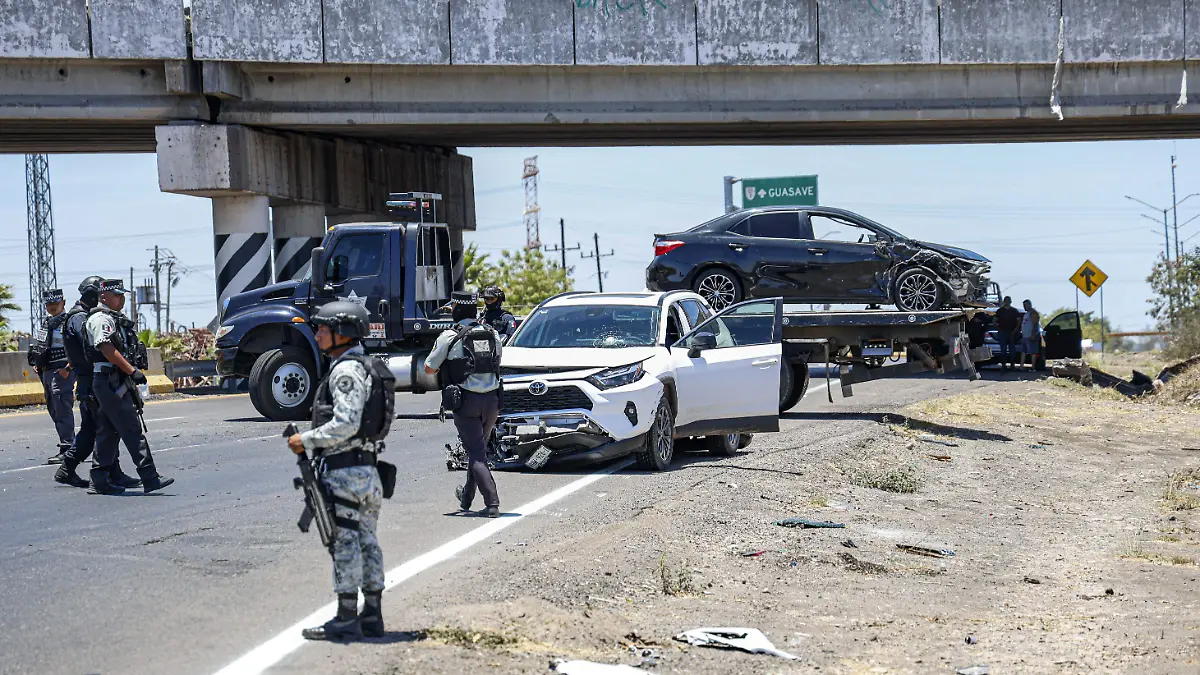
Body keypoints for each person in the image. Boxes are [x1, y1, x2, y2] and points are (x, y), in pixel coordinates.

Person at [286, 301, 386, 641]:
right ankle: (372, 615)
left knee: (345, 543)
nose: (317, 336)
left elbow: (346, 423)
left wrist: (305, 440)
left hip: (346, 474)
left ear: (342, 333)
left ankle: (346, 618)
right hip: (366, 470)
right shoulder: (367, 366)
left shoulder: (345, 372)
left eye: (323, 330)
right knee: (368, 542)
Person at [84, 279, 173, 495]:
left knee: (108, 430)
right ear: (103, 297)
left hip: (115, 380)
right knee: (131, 427)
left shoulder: (115, 318)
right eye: (117, 295)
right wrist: (132, 371)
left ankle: (99, 479)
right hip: (109, 380)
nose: (121, 299)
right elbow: (106, 348)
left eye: (122, 295)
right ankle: (150, 477)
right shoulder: (101, 319)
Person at [53, 276, 140, 489]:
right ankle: (77, 469)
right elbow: (93, 348)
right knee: (100, 428)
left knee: (102, 427)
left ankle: (110, 472)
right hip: (91, 380)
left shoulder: (82, 316)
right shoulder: (81, 318)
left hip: (90, 379)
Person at [424, 291, 503, 518]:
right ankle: (467, 498)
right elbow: (498, 362)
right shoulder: (492, 333)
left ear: (456, 310)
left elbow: (429, 368)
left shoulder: (450, 336)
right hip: (493, 401)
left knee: (476, 453)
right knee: (477, 448)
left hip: (466, 402)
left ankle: (492, 502)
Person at [28, 289, 75, 464]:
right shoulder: (47, 322)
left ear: (63, 303)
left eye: (55, 303)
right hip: (46, 371)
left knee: (62, 407)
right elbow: (42, 345)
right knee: (53, 408)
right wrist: (38, 363)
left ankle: (68, 448)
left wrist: (68, 368)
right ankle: (70, 444)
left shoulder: (69, 322)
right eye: (49, 304)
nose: (52, 307)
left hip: (62, 370)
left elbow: (78, 348)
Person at [993, 296, 1021, 371]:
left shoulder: (1014, 311)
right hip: (1002, 332)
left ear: (1010, 302)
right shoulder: (1000, 311)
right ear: (1004, 301)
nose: (1007, 302)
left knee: (1012, 350)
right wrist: (998, 329)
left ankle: (1012, 364)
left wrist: (1015, 330)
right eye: (1006, 301)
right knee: (1003, 350)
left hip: (1012, 332)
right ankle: (1004, 365)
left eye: (1008, 301)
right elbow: (994, 321)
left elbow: (1019, 320)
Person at [1019, 299, 1041, 370]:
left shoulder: (1033, 313)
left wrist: (1033, 335)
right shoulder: (1026, 314)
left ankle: (1033, 367)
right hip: (1025, 336)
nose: (1024, 307)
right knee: (1023, 351)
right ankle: (1021, 366)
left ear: (1029, 305)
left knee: (1033, 352)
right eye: (1023, 305)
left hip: (1031, 336)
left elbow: (1035, 324)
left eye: (1025, 305)